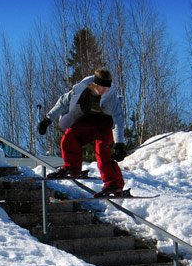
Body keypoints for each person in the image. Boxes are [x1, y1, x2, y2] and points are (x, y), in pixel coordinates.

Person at [37, 68, 127, 197]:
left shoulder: (111, 97)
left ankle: (114, 184)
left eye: (106, 88)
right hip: (87, 120)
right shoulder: (81, 89)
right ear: (94, 84)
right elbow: (63, 102)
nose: (104, 91)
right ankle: (71, 167)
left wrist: (119, 144)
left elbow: (118, 119)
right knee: (69, 137)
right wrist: (47, 120)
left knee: (101, 149)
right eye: (101, 88)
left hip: (105, 123)